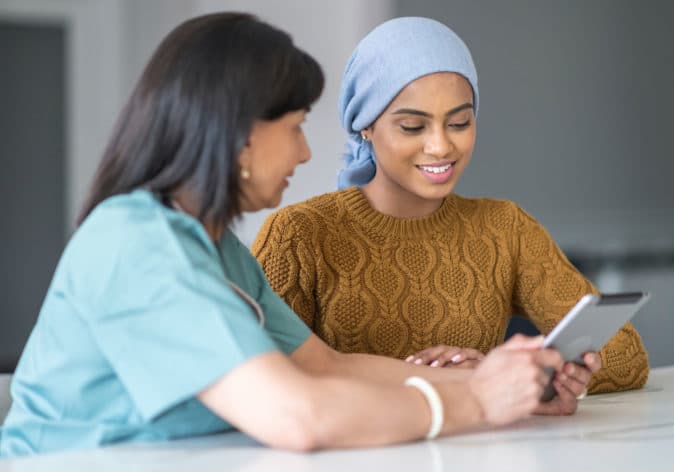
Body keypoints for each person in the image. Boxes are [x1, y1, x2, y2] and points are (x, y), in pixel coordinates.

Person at [0, 12, 574, 458]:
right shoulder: (135, 244)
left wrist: (500, 379)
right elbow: (297, 415)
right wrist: (476, 401)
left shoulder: (214, 246)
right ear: (238, 133)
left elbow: (325, 365)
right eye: (296, 127)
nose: (305, 150)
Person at [252, 17, 648, 397]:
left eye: (459, 122)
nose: (441, 146)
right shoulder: (299, 235)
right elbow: (262, 382)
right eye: (413, 127)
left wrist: (492, 374)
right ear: (365, 126)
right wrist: (452, 384)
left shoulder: (504, 228)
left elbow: (624, 356)